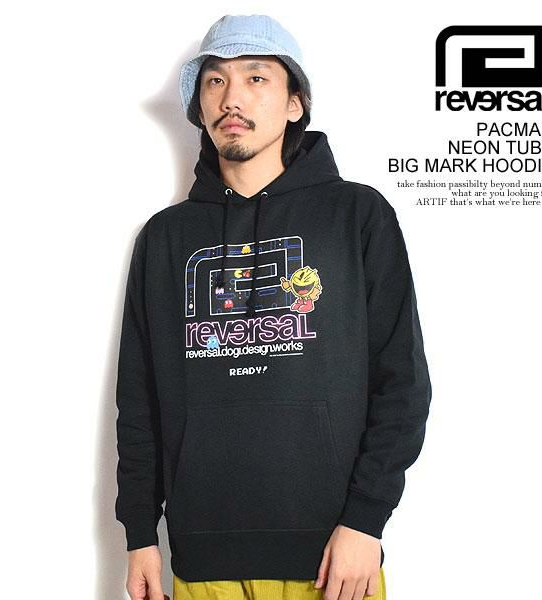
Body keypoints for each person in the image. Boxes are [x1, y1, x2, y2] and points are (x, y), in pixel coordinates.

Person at [114, 13, 432, 600]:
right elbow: (138, 400)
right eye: (215, 80)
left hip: (333, 560)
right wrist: (139, 533)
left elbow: (403, 383)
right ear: (199, 106)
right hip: (200, 559)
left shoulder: (358, 216)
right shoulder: (164, 239)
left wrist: (366, 521)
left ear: (294, 103)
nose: (231, 97)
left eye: (256, 78)